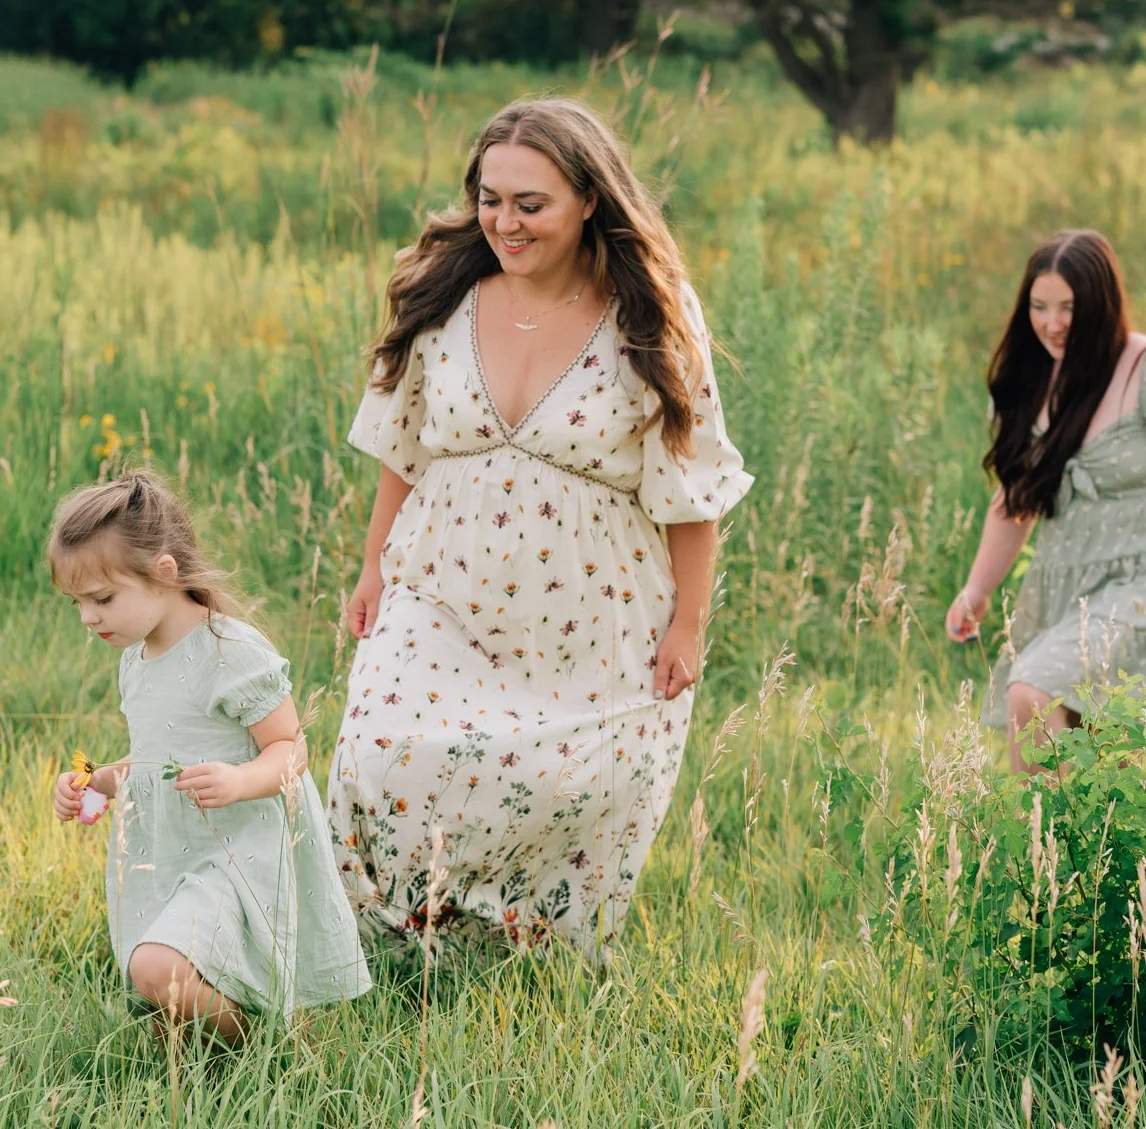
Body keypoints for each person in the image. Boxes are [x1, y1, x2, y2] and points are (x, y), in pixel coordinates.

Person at [332, 97, 752, 953]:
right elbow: (400, 449)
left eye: (532, 203)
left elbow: (692, 485)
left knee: (565, 780)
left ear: (589, 198)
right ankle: (383, 940)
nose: (505, 222)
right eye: (491, 198)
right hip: (438, 581)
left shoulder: (651, 316)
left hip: (592, 603)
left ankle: (515, 951)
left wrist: (689, 622)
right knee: (378, 748)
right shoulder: (444, 296)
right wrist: (373, 567)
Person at [48, 470, 370, 1041]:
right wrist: (96, 781)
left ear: (164, 573)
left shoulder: (228, 650)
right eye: (77, 603)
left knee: (155, 966)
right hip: (174, 851)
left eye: (101, 599)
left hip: (238, 846)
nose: (88, 618)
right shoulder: (136, 658)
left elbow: (290, 748)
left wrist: (242, 780)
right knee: (158, 972)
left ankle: (261, 1043)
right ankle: (211, 1033)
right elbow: (157, 759)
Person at [945, 230, 1146, 774]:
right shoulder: (1031, 380)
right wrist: (976, 589)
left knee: (1029, 693)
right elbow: (1015, 499)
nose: (1052, 323)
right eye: (1039, 307)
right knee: (1100, 761)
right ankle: (1068, 856)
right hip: (1070, 583)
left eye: (1068, 308)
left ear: (1102, 305)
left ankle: (1045, 857)